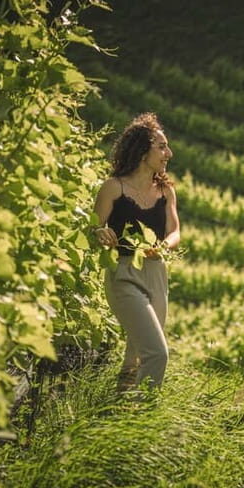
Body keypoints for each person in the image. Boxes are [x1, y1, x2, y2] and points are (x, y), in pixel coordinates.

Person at [93, 113, 180, 391]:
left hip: (156, 274)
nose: (169, 153)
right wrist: (99, 233)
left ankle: (118, 412)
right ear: (143, 150)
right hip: (124, 273)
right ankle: (146, 414)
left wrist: (164, 246)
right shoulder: (113, 187)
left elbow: (175, 231)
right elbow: (92, 228)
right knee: (157, 353)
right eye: (162, 146)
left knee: (136, 357)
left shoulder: (166, 191)